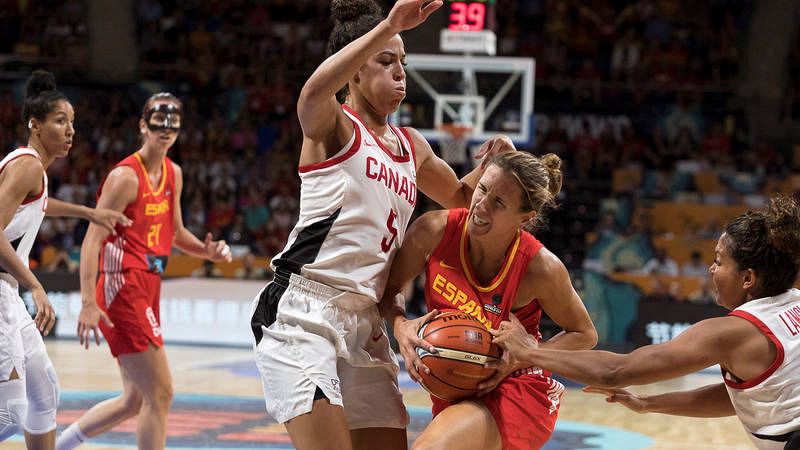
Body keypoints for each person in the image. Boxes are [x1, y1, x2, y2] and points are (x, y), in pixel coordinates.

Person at [248, 1, 516, 449]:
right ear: (353, 71)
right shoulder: (334, 123)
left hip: (365, 321)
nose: (400, 73)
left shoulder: (411, 145)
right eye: (386, 61)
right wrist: (390, 25)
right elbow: (311, 94)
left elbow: (465, 200)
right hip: (302, 312)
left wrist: (496, 167)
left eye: (403, 63)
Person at [491, 195, 800, 450]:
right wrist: (648, 403)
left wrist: (530, 352)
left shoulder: (733, 331)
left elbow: (615, 372)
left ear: (748, 278)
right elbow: (739, 397)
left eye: (719, 261)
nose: (710, 269)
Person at [380, 152, 598, 450]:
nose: (481, 205)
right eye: (482, 189)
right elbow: (390, 287)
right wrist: (400, 325)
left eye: (499, 203)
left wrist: (527, 354)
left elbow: (584, 334)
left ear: (525, 218)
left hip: (517, 386)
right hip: (459, 385)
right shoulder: (433, 230)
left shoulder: (540, 267)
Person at [56, 92, 232, 450]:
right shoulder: (125, 178)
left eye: (172, 126)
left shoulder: (174, 174)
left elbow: (177, 233)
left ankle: (59, 445)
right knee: (161, 392)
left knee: (134, 399)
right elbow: (92, 241)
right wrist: (88, 302)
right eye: (157, 124)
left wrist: (207, 252)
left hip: (149, 283)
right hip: (121, 285)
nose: (165, 131)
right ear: (143, 126)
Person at [0, 70, 131, 450]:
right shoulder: (27, 166)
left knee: (45, 391)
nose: (70, 130)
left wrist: (89, 213)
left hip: (7, 291)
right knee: (10, 413)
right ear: (35, 125)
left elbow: (39, 204)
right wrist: (37, 286)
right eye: (60, 122)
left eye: (72, 122)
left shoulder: (30, 169)